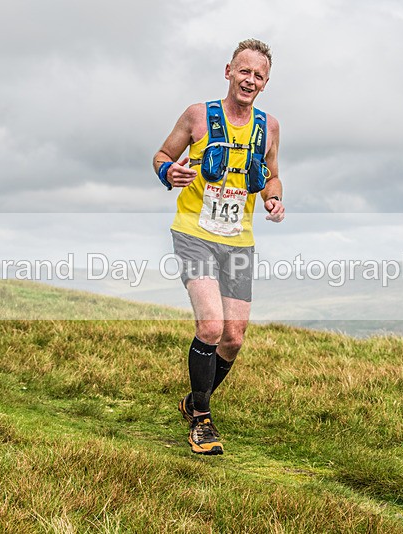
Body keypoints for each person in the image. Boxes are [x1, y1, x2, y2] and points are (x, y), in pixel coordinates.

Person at [152, 38, 284, 455]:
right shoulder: (197, 116)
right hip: (194, 231)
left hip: (238, 240)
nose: (250, 80)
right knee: (210, 326)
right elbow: (160, 156)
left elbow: (273, 175)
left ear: (265, 83)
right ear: (228, 71)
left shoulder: (269, 127)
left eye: (258, 75)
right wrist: (168, 173)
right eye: (244, 71)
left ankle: (194, 401)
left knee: (233, 336)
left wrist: (273, 198)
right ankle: (203, 422)